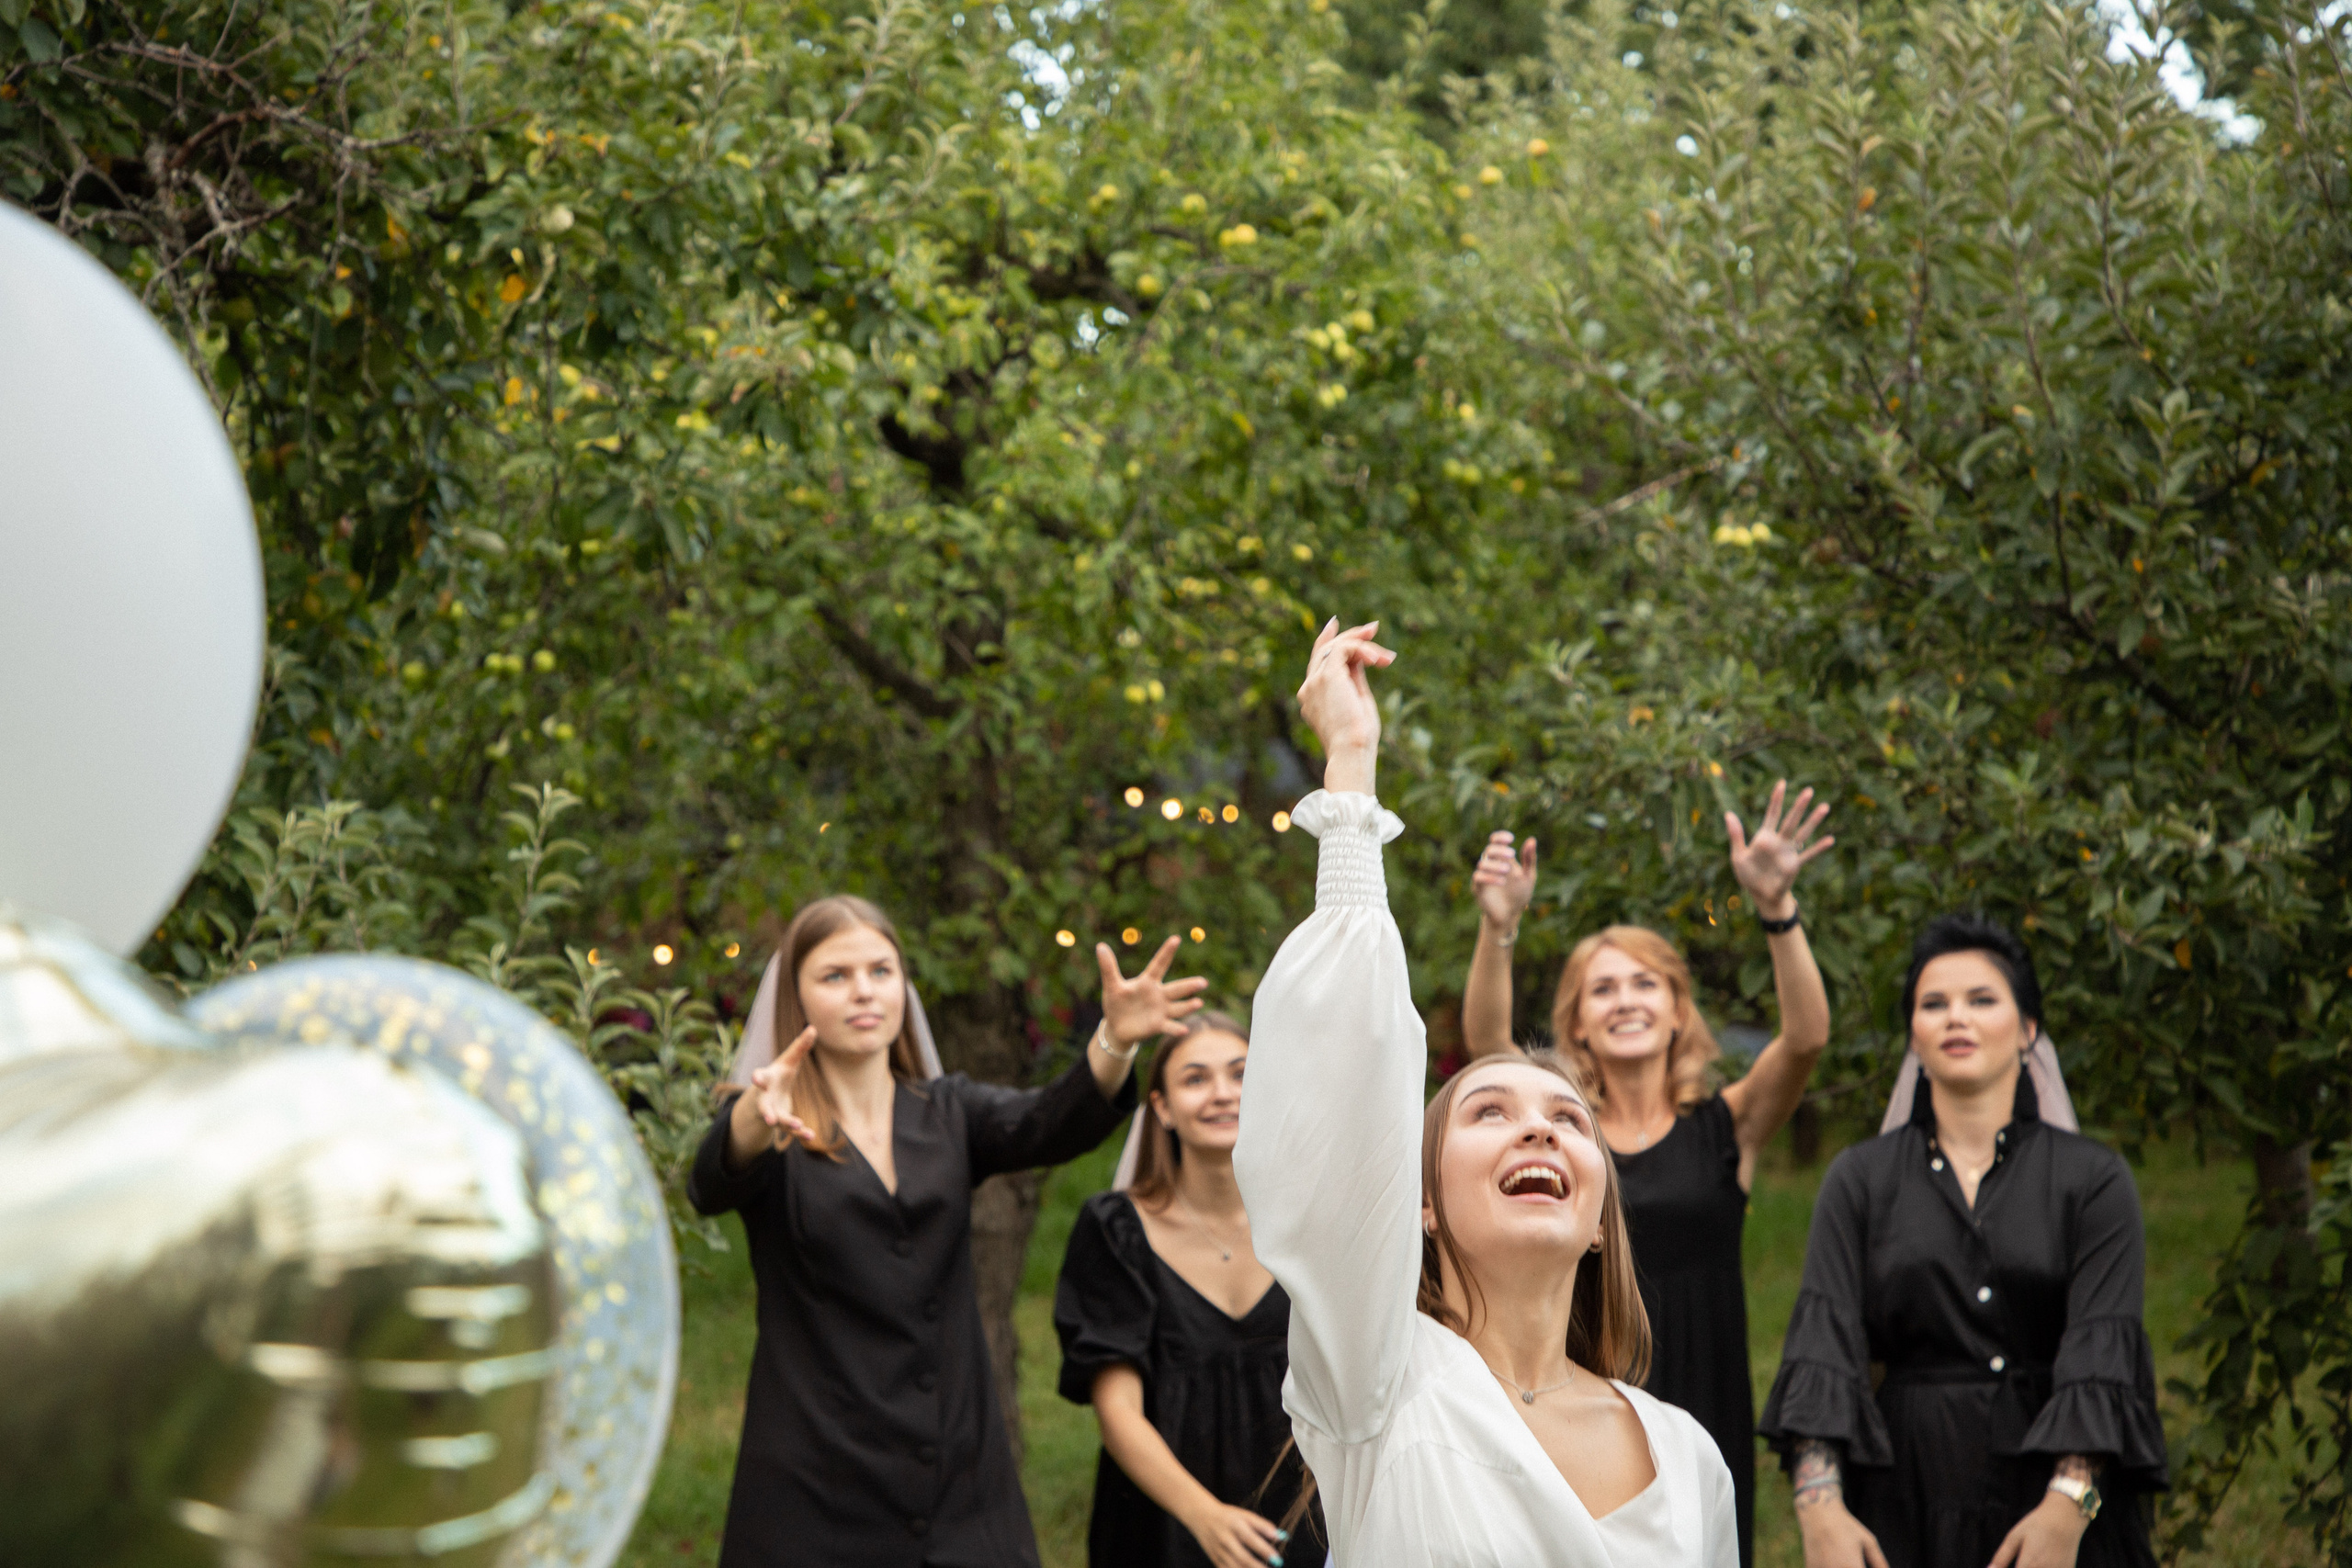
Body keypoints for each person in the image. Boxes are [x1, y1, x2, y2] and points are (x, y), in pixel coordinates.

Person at [1233, 617, 1737, 1566]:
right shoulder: (1375, 1389)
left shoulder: (1691, 1458)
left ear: (1599, 1220)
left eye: (1566, 1121)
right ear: (1415, 1206)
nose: (1537, 1134)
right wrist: (1349, 766)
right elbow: (1348, 1076)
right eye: (1488, 1111)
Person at [689, 894, 1204, 1568]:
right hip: (818, 1482)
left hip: (960, 1480)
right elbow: (711, 1179)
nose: (864, 991)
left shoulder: (948, 1113)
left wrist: (1113, 1041)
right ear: (797, 995)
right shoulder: (773, 1123)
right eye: (835, 975)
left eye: (881, 969)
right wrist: (754, 1114)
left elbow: (1052, 1120)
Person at [1458, 784, 1836, 1568]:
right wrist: (1499, 931)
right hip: (1587, 1375)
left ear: (1675, 1009)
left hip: (1706, 1377)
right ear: (1578, 1022)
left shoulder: (1726, 1125)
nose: (1625, 999)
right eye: (1603, 987)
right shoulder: (1568, 1136)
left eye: (1643, 984)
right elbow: (1490, 1048)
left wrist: (1778, 909)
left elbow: (1804, 1037)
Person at [1758, 914, 2167, 1568]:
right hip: (1903, 1494)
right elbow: (1823, 1350)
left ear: (2028, 1027)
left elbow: (2104, 1356)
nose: (1956, 1017)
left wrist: (2067, 1509)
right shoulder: (1859, 1178)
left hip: (2055, 1508)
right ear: (1913, 1035)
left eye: (1982, 999)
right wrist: (1821, 1508)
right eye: (1933, 1003)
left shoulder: (2094, 1179)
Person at [1053, 1012, 1325, 1568]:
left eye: (1241, 1074)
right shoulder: (1116, 1230)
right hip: (1163, 1525)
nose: (1222, 1094)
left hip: (1305, 1518)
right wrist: (1204, 1516)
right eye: (1196, 1079)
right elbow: (1117, 1409)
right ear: (1162, 1108)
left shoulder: (1313, 1228)